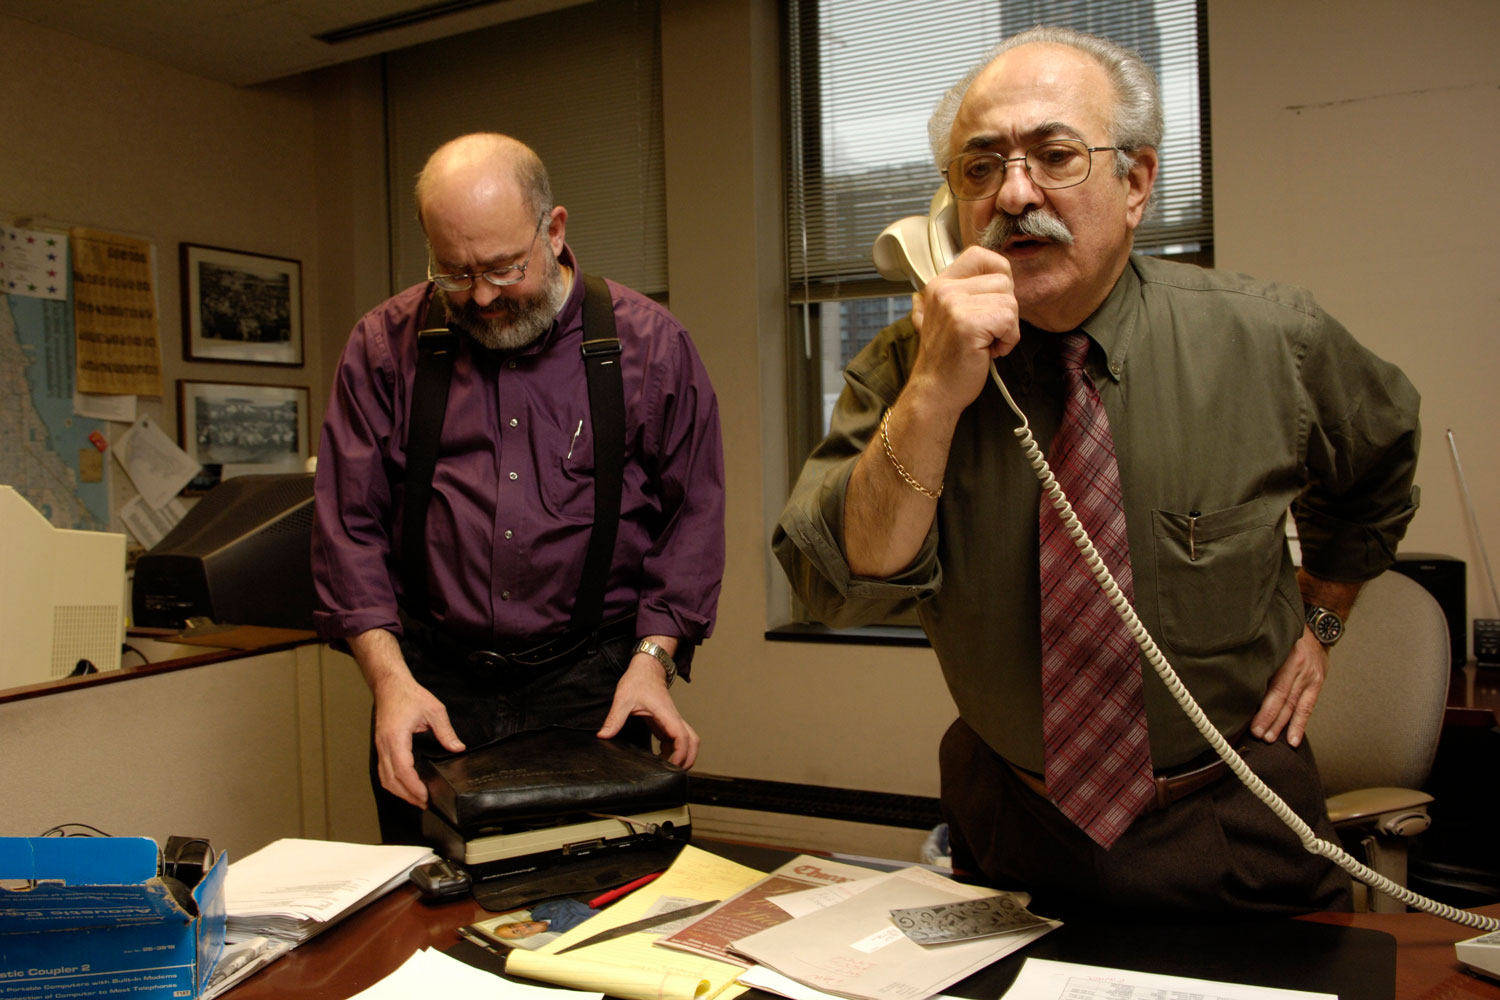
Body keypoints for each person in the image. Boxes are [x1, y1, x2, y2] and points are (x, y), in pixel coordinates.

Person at [774, 26, 1420, 915]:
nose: (1013, 192)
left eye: (1056, 156)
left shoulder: (1272, 342)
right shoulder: (906, 367)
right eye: (979, 167)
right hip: (1012, 827)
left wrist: (1325, 617)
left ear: (1138, 183)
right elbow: (830, 584)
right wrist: (932, 391)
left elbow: (1380, 467)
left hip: (1234, 815)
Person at [312, 133, 725, 844]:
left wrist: (653, 662)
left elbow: (691, 520)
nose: (481, 296)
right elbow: (348, 528)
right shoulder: (384, 346)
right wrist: (388, 681)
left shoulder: (651, 347)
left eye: (505, 269)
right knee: (431, 905)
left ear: (555, 229)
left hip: (595, 685)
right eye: (454, 272)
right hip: (432, 685)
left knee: (604, 909)